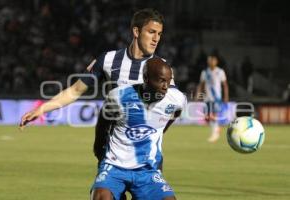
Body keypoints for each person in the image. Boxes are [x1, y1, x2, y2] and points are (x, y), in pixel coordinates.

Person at [19, 8, 171, 199]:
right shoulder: (108, 60)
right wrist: (41, 108)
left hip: (148, 160)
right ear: (136, 31)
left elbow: (171, 107)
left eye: (159, 34)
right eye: (151, 32)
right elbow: (75, 90)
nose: (156, 38)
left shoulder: (161, 68)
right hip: (114, 156)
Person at [91, 57, 186, 200]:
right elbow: (103, 124)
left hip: (147, 171)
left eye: (168, 80)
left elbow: (175, 113)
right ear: (146, 78)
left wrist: (159, 132)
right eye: (161, 80)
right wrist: (99, 153)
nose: (166, 86)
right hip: (114, 166)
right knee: (100, 197)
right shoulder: (118, 96)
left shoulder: (177, 99)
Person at [196, 54, 229, 143]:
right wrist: (198, 95)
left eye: (212, 60)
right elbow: (201, 85)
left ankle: (215, 134)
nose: (211, 62)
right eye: (209, 60)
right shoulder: (205, 72)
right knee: (207, 117)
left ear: (216, 61)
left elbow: (225, 85)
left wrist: (226, 97)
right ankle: (216, 129)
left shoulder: (220, 72)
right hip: (207, 97)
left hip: (216, 97)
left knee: (213, 115)